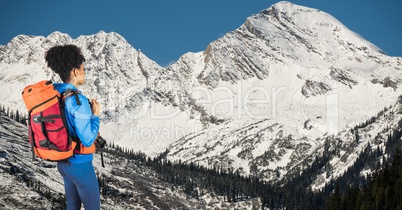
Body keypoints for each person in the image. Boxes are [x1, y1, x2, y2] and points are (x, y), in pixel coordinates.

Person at [45, 44, 101, 210]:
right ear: (76, 71)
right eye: (83, 69)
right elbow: (87, 138)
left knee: (73, 206)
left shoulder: (56, 93)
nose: (85, 73)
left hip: (64, 162)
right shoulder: (78, 100)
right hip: (80, 165)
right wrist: (95, 115)